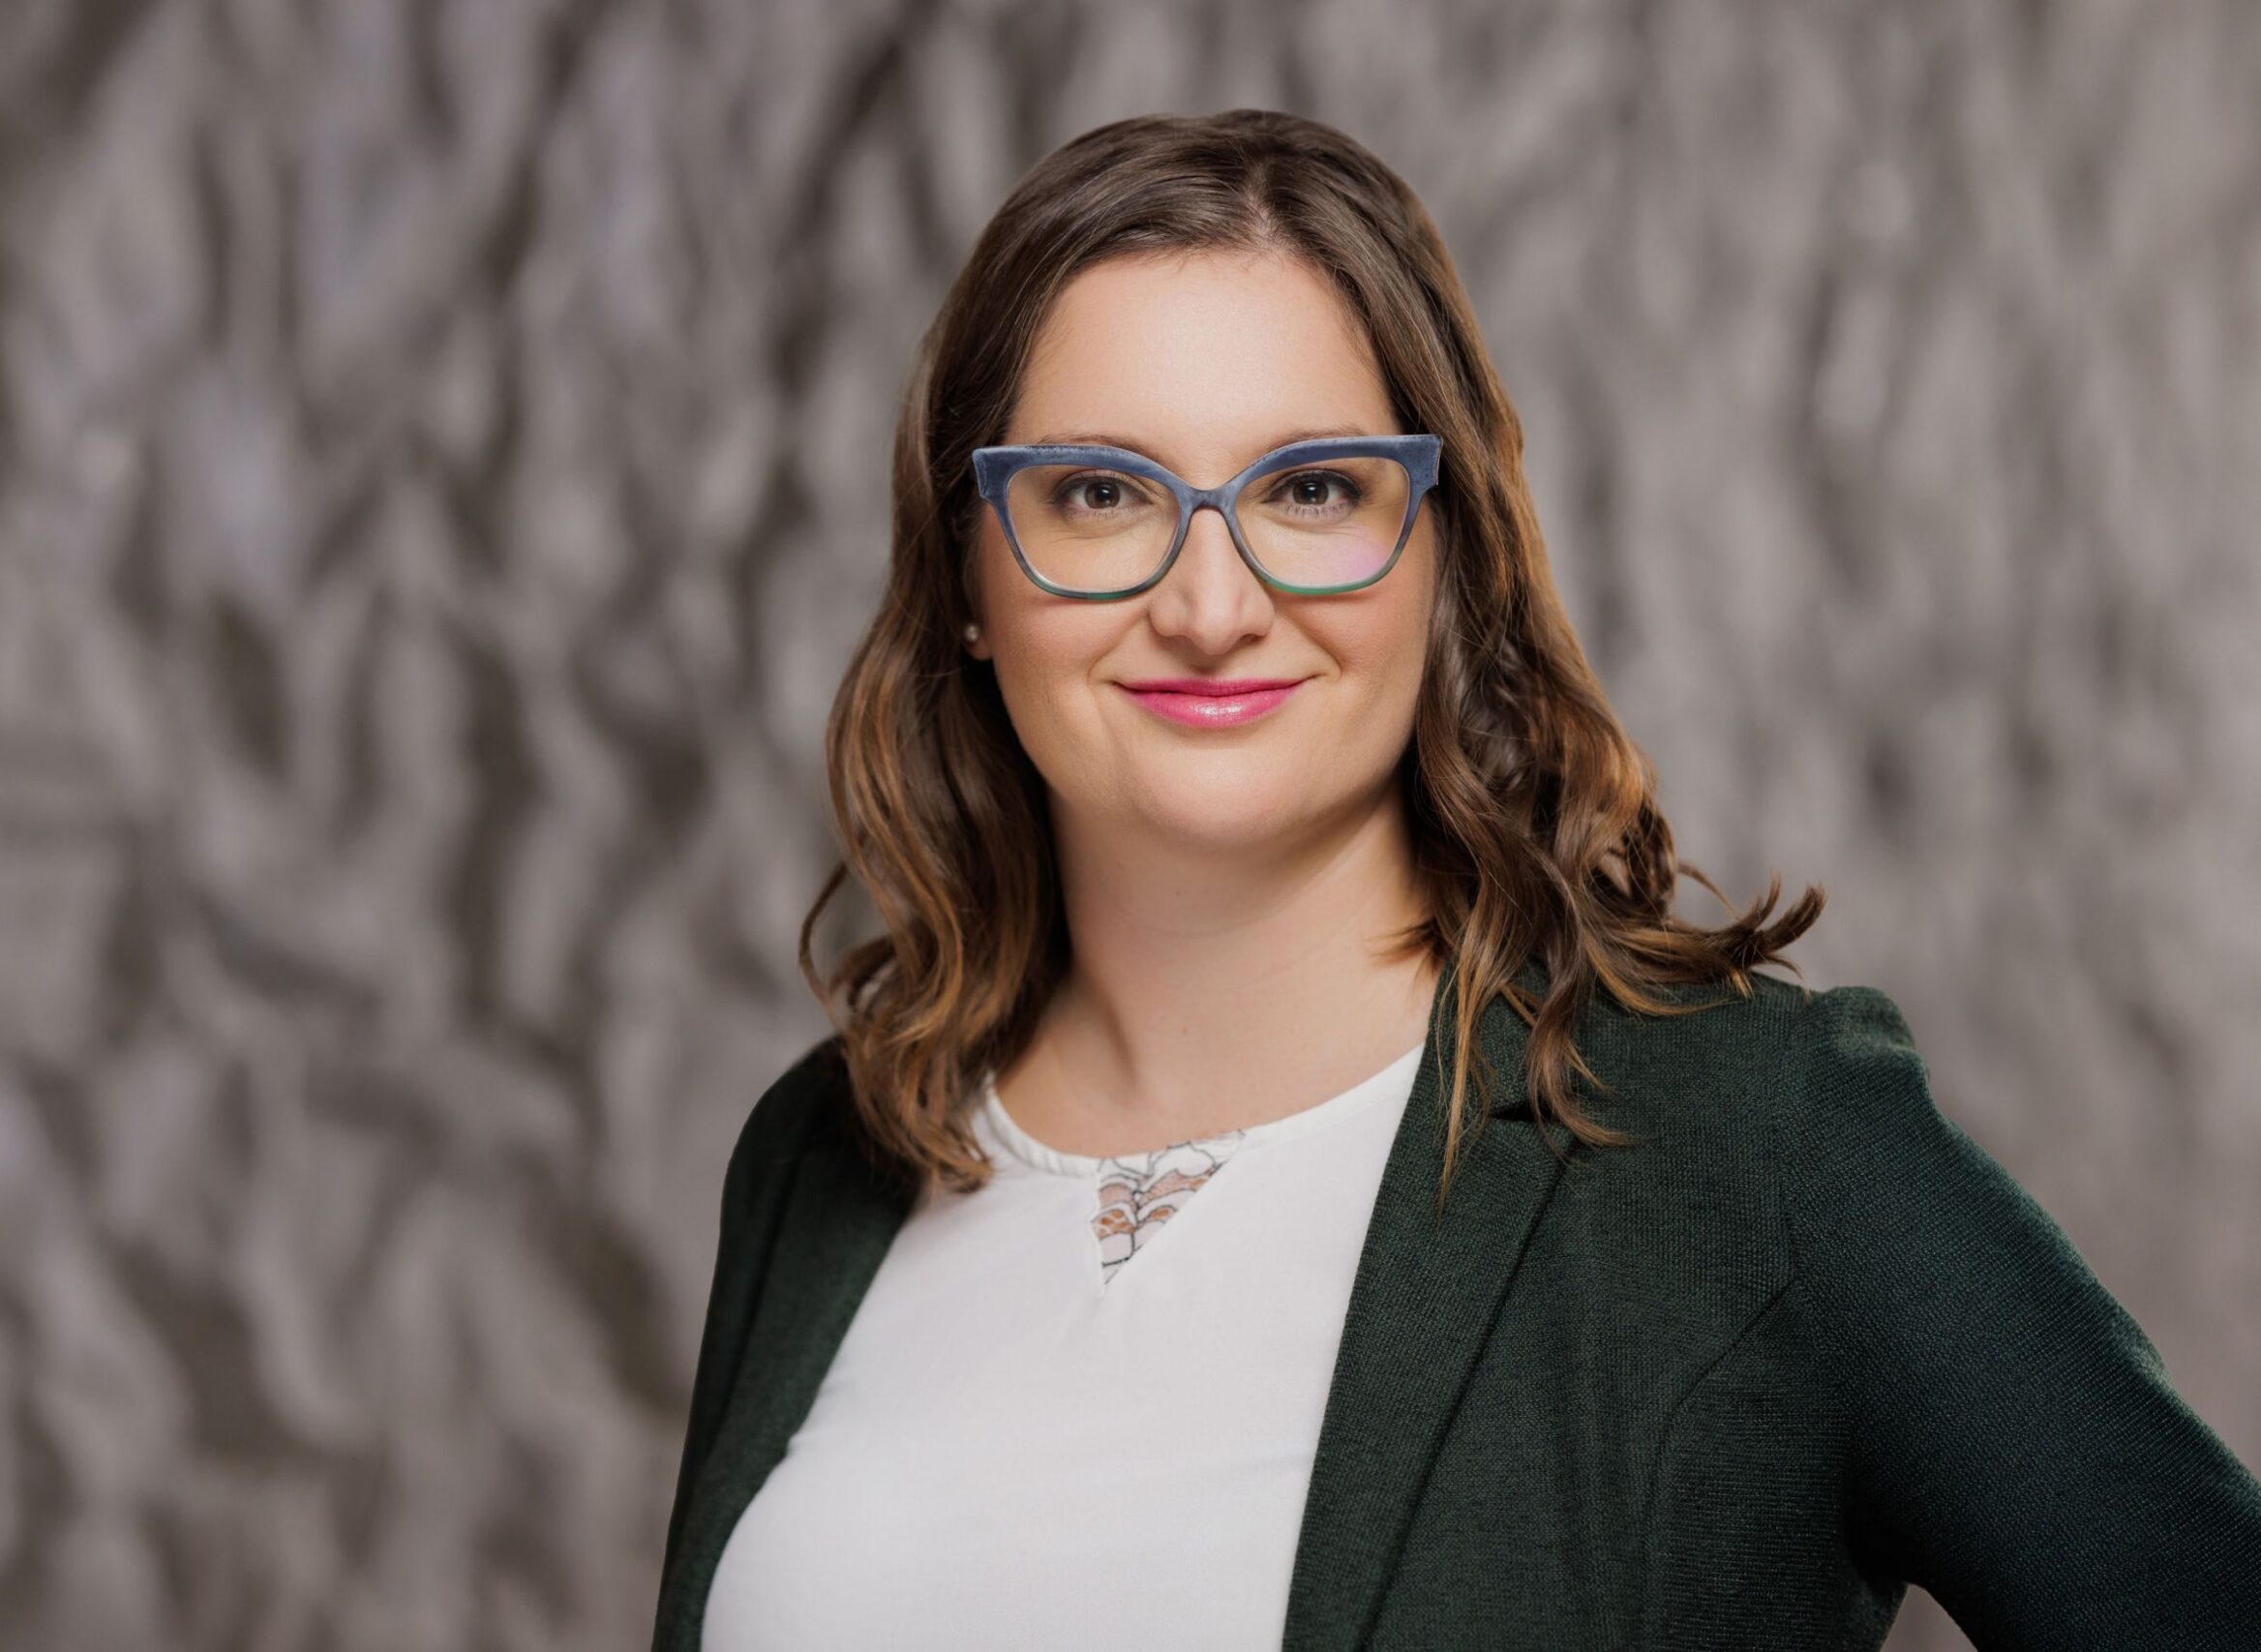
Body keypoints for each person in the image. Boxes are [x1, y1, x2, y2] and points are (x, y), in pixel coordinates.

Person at [653, 108, 2261, 1651]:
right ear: (969, 578)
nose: (1211, 604)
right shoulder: (824, 1155)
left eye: (1310, 489)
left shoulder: (1755, 1146)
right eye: (1098, 493)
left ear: (1445, 549)